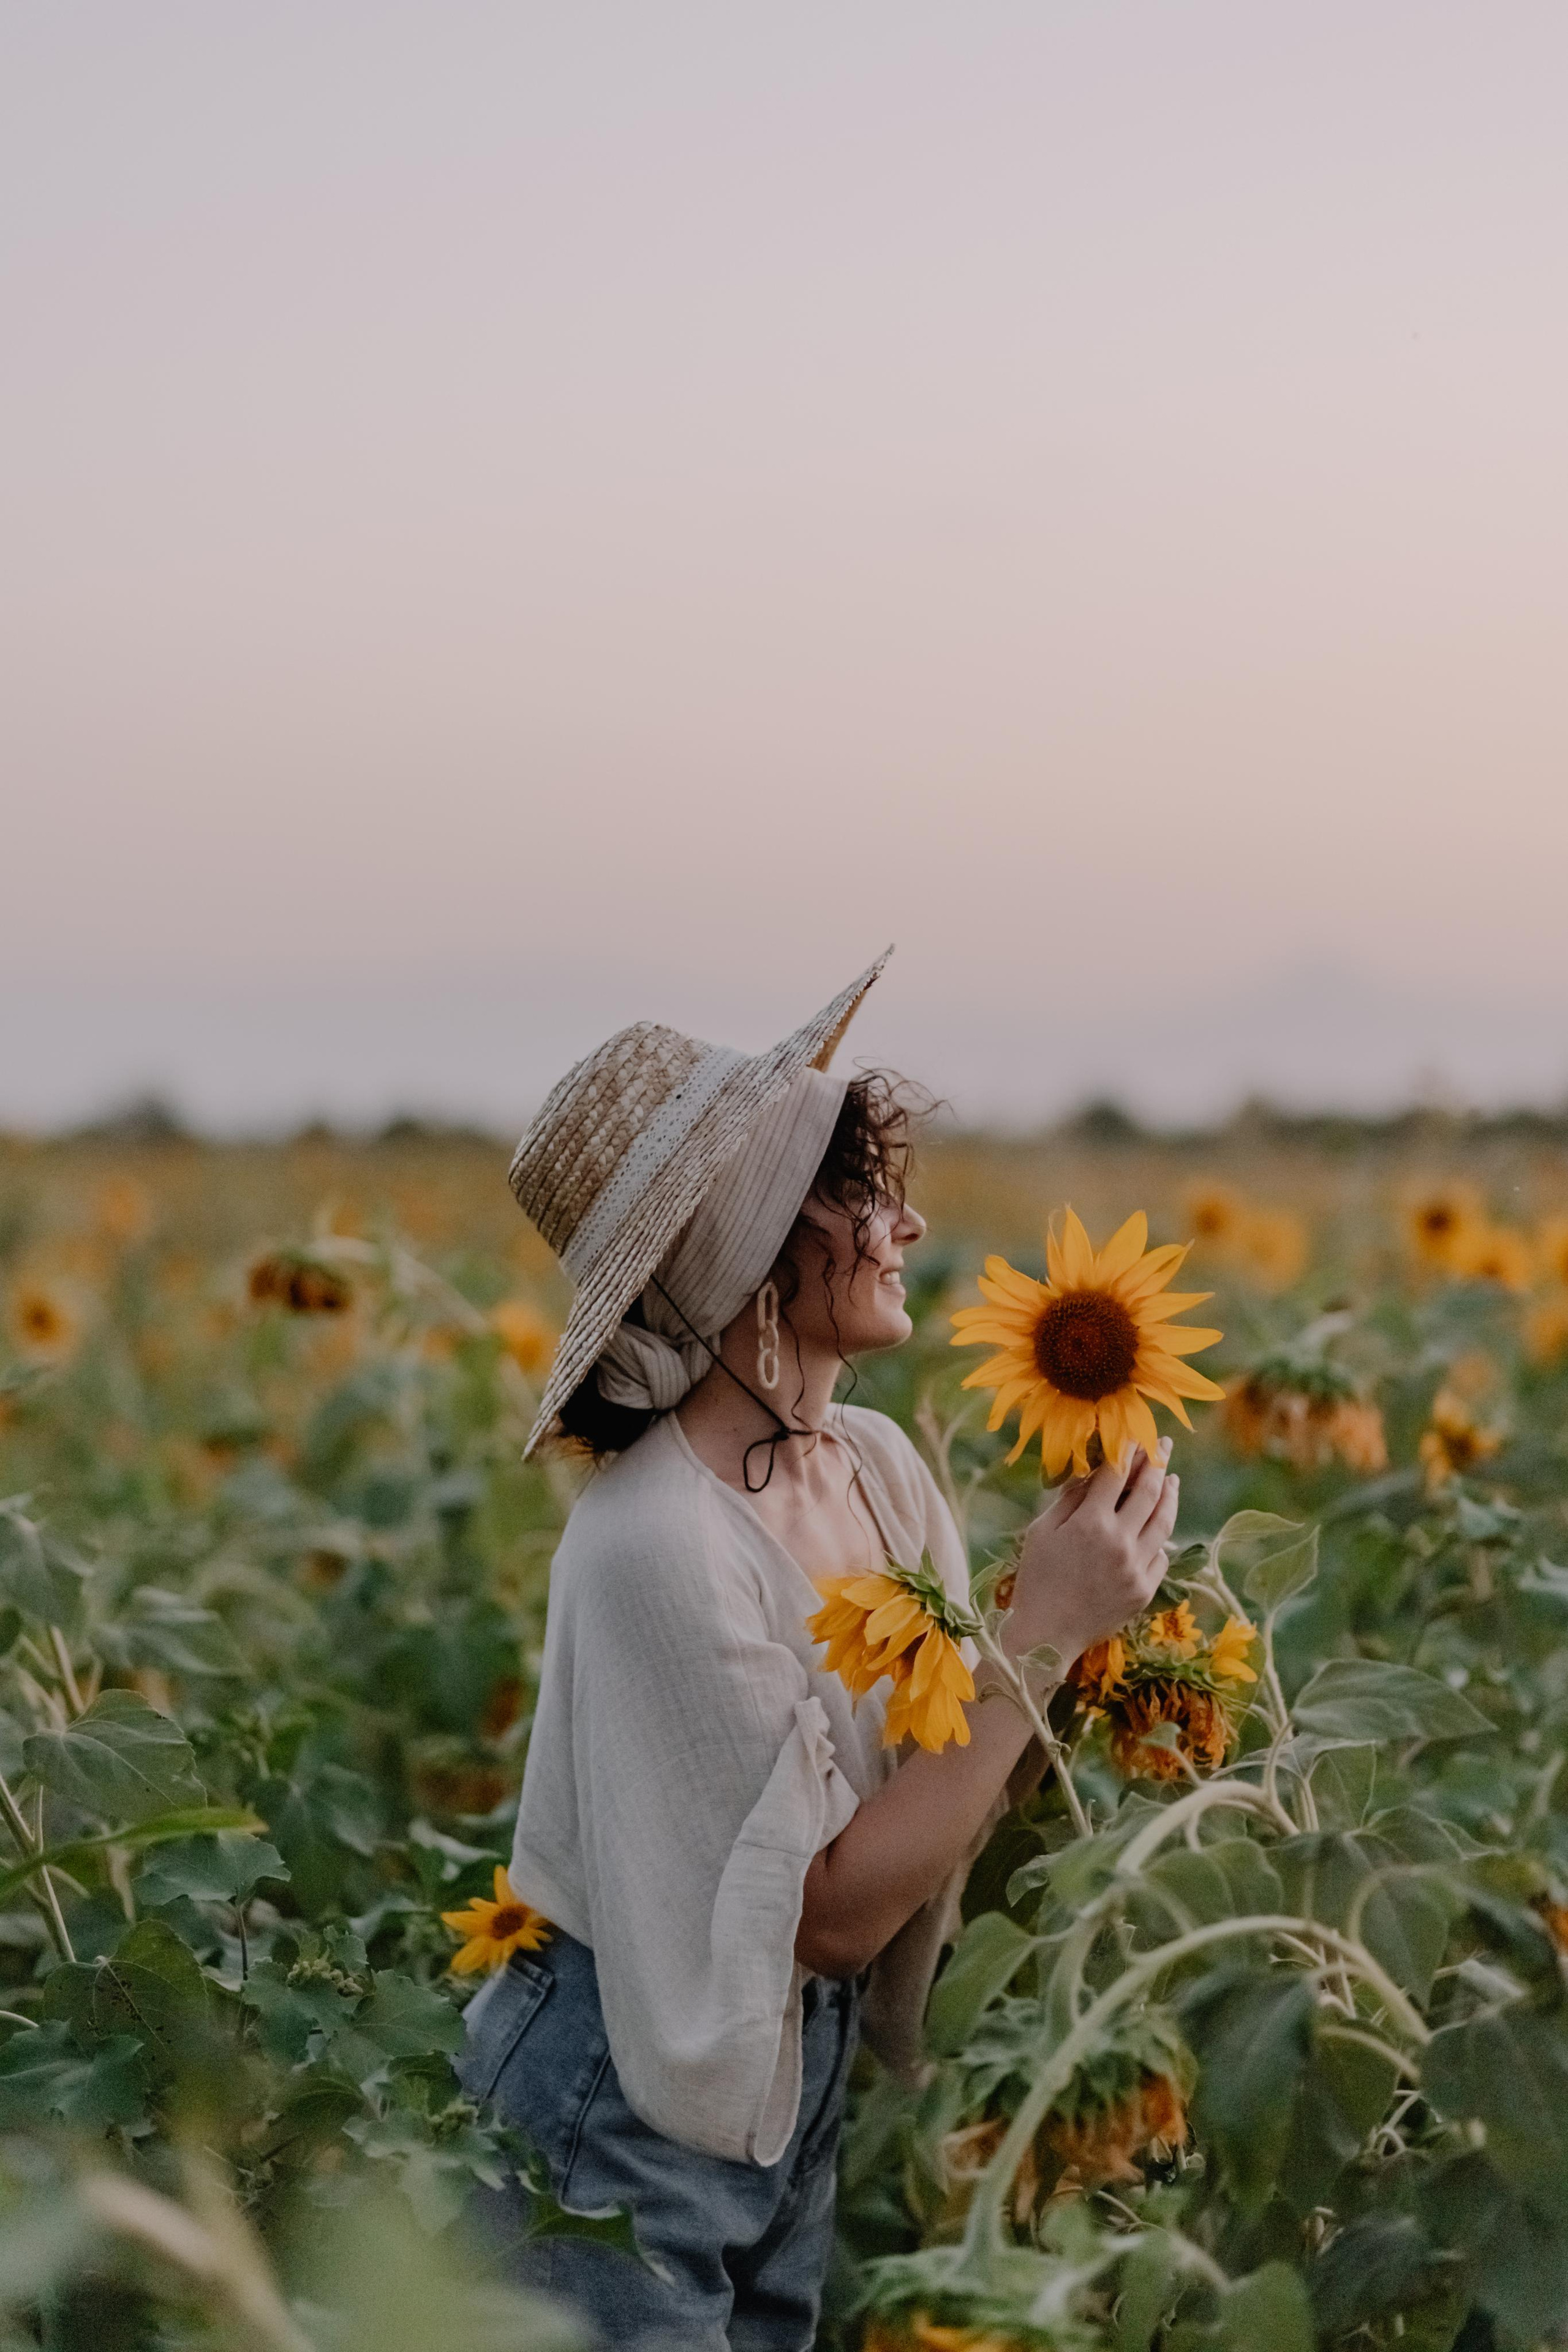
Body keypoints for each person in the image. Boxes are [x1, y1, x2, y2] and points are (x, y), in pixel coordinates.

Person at [458, 951, 1178, 2350]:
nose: (905, 1223)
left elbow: (951, 1757)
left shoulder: (873, 1464)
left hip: (786, 2055)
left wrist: (1095, 1635)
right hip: (620, 2088)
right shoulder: (654, 1544)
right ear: (748, 1249)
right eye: (856, 1194)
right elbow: (831, 1909)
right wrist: (1044, 1626)